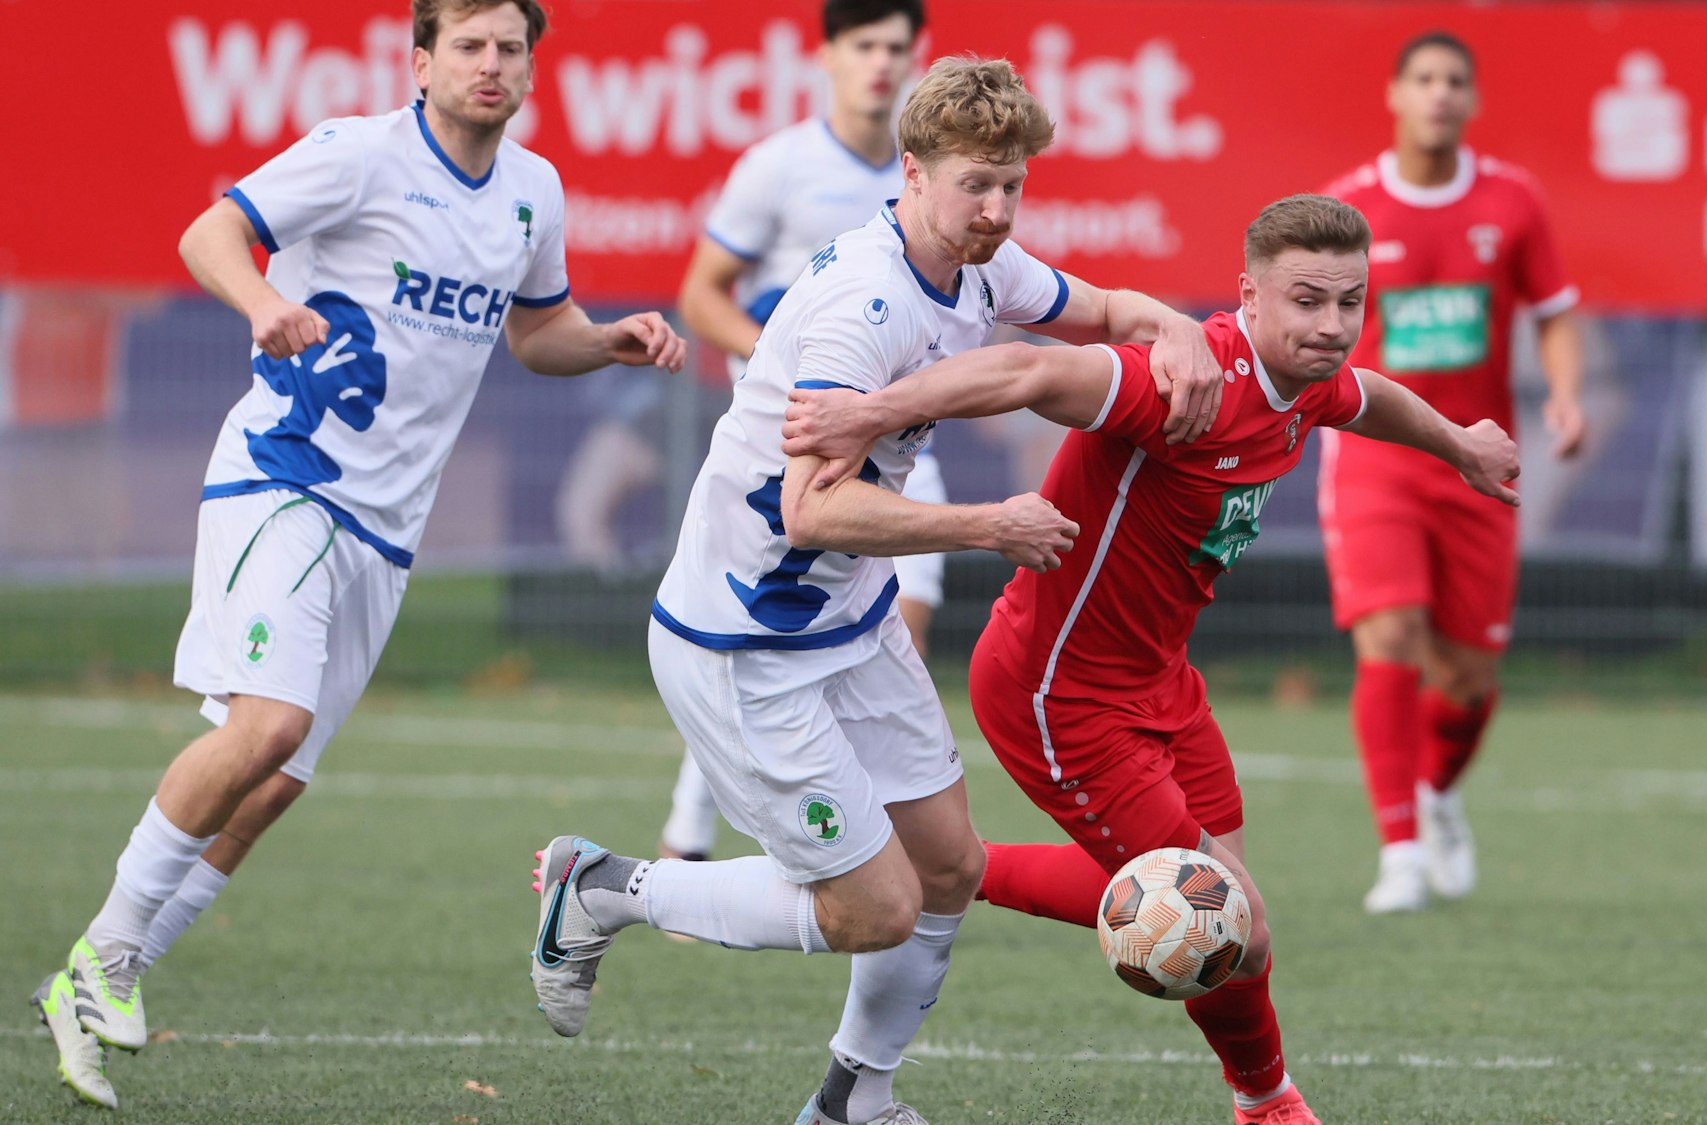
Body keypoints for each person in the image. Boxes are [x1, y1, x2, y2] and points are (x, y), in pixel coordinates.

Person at [526, 57, 1222, 1125]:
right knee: (876, 908)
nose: (994, 210)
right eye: (973, 186)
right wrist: (984, 525)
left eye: (1011, 186)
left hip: (845, 622)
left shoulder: (980, 263)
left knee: (948, 869)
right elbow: (810, 512)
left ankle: (857, 1100)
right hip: (745, 642)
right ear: (912, 171)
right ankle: (604, 888)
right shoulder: (863, 304)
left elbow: (1099, 307)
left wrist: (1173, 327)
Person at [27, 0, 687, 1109]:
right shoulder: (356, 153)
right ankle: (100, 959)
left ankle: (116, 964)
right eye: (467, 46)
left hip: (386, 526)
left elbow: (537, 334)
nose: (490, 65)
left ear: (531, 67)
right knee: (267, 724)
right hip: (285, 475)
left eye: (509, 48)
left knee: (274, 782)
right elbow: (209, 235)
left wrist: (608, 339)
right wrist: (264, 300)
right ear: (421, 61)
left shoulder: (532, 190)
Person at [778, 193, 1520, 1125]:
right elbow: (1022, 369)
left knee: (1220, 915)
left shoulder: (1304, 380)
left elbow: (1368, 398)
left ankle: (955, 869)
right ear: (1250, 296)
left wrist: (1458, 446)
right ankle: (1270, 1103)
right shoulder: (1187, 385)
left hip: (1160, 683)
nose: (1332, 326)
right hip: (1059, 693)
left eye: (1349, 301)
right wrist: (865, 415)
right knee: (1231, 923)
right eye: (1307, 301)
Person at [1317, 30, 1586, 914]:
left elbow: (1553, 313)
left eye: (1454, 82)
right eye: (1423, 79)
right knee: (1389, 634)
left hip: (1478, 459)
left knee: (1468, 674)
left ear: (1471, 100)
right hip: (1377, 455)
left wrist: (1567, 398)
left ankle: (1435, 794)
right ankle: (1398, 850)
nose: (1438, 94)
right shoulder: (1347, 209)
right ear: (1394, 94)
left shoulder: (1513, 200)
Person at [659, 0, 931, 866]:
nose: (882, 63)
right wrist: (773, 358)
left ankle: (870, 840)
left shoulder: (928, 173)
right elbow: (701, 293)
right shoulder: (778, 167)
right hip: (797, 443)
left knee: (901, 628)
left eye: (898, 47)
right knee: (762, 635)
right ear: (826, 56)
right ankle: (690, 831)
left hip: (899, 442)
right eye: (865, 46)